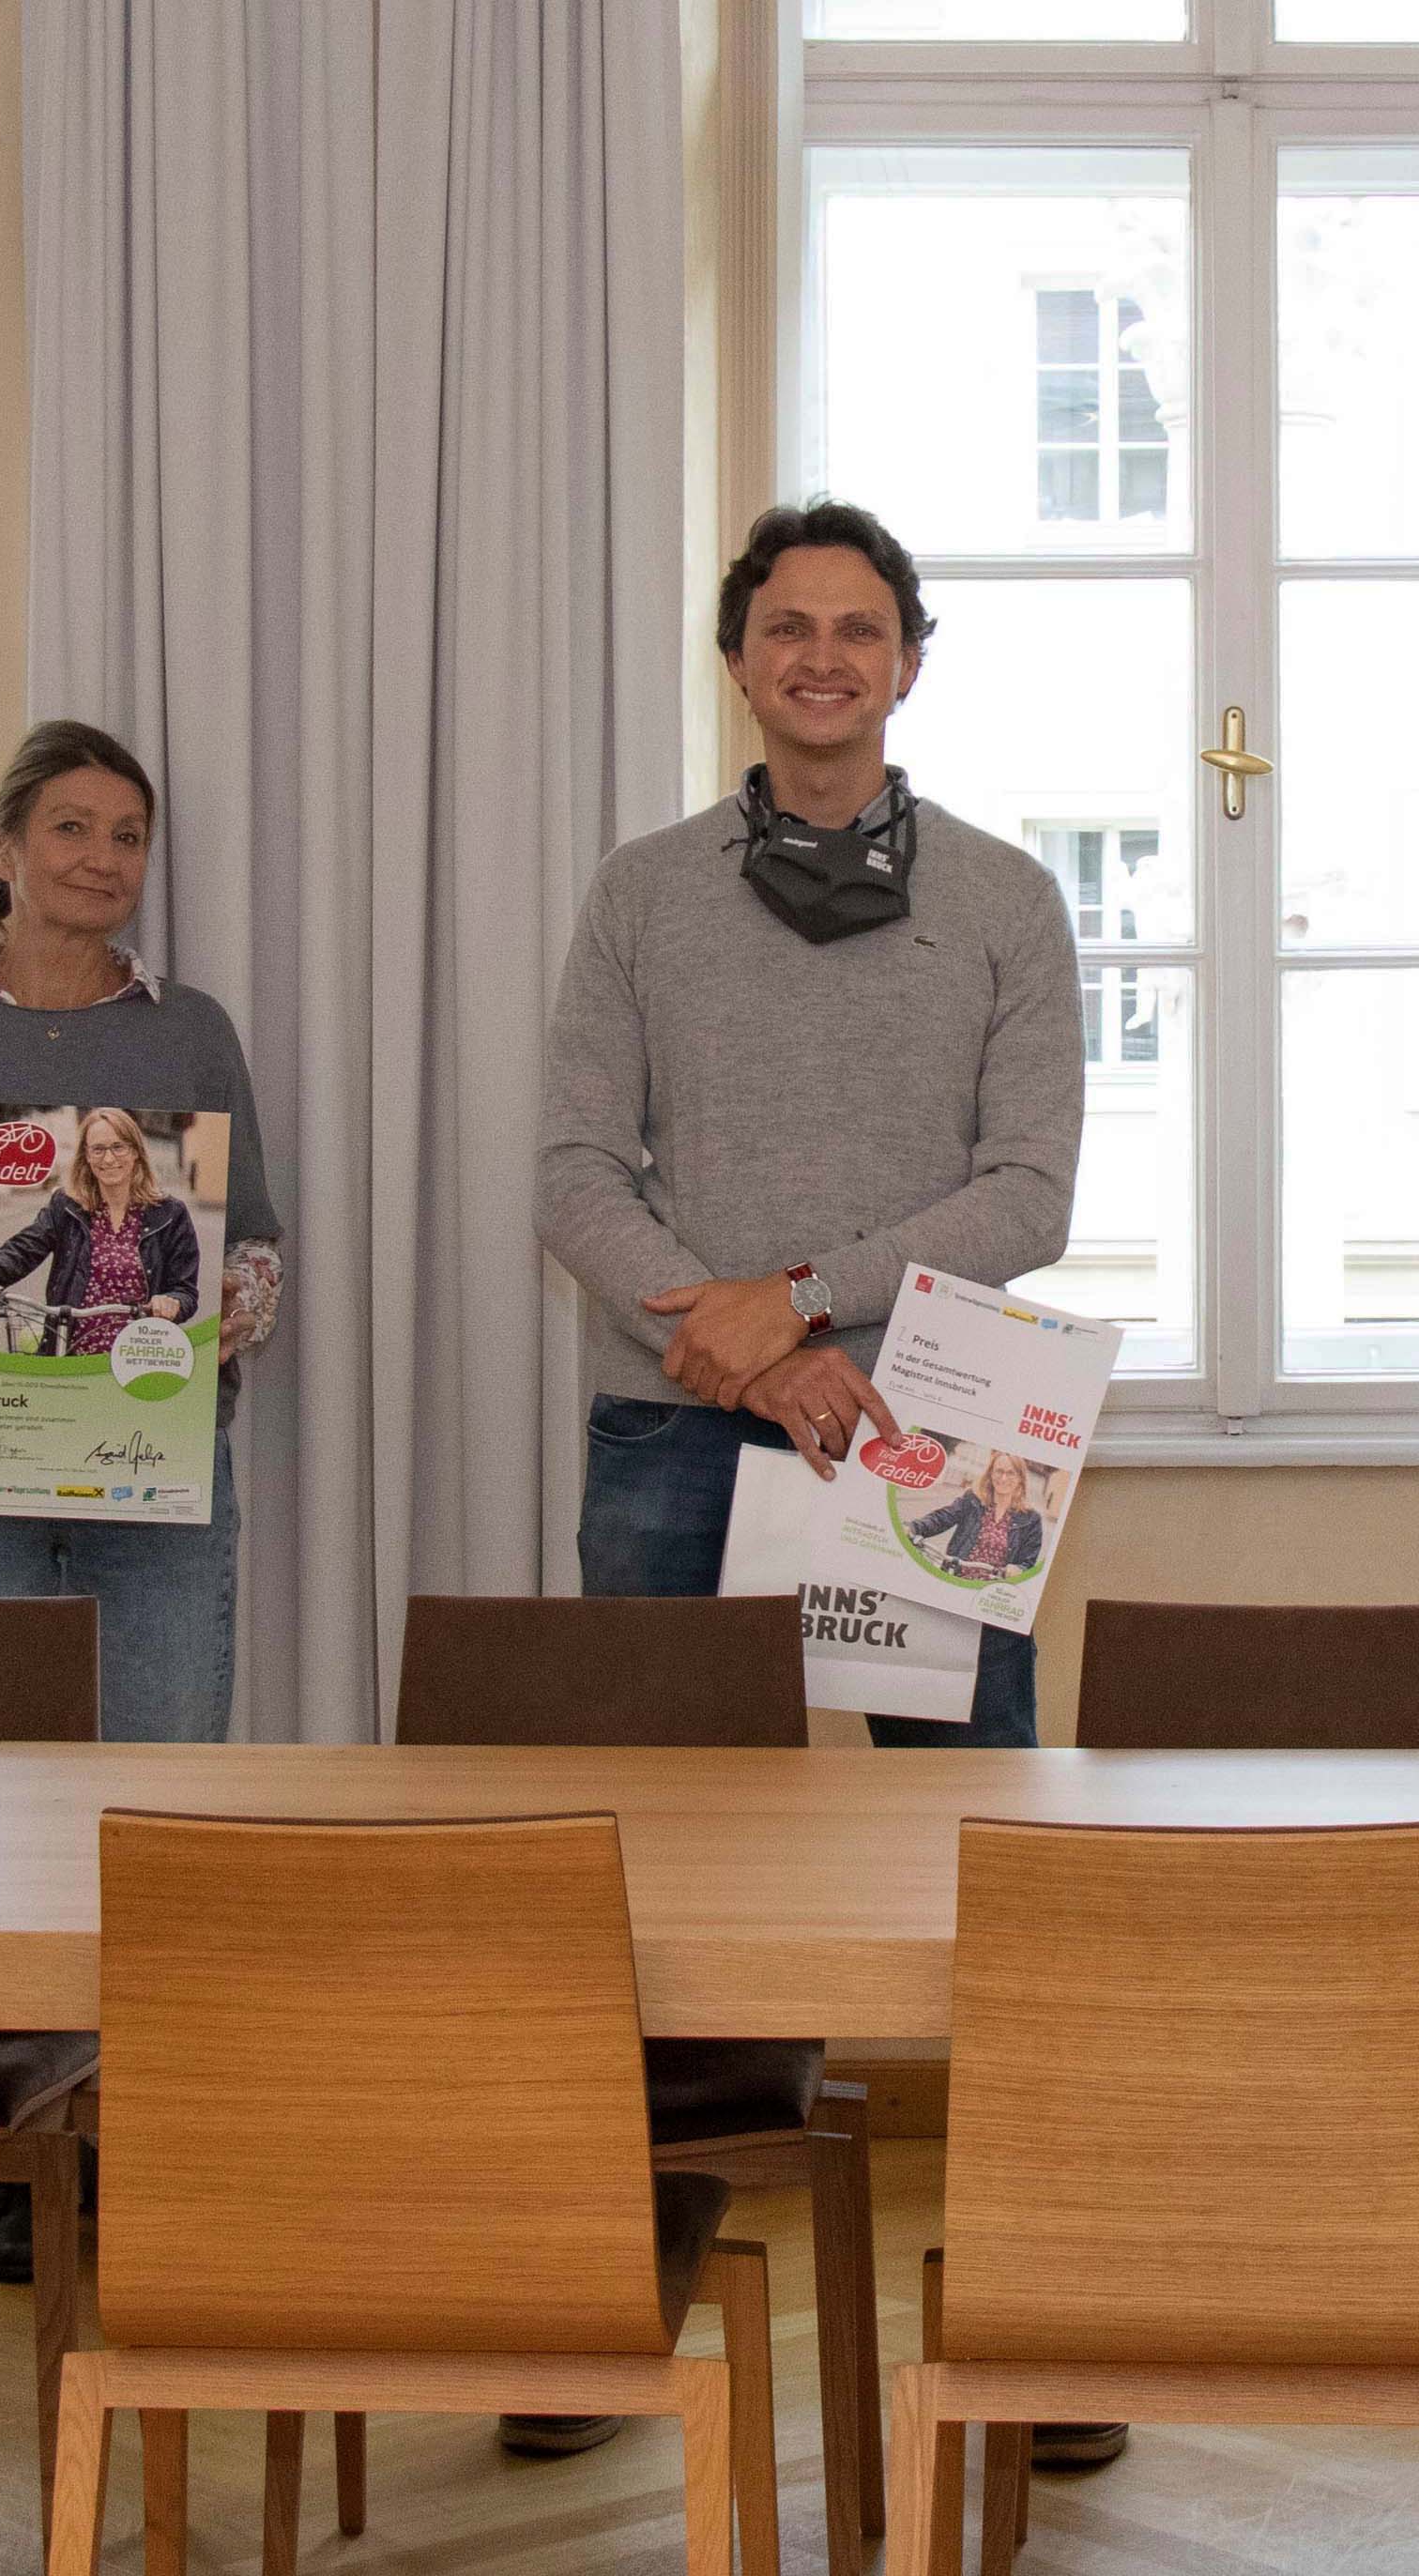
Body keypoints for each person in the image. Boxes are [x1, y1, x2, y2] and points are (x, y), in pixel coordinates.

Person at [531, 497, 1088, 2462]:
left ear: (910, 660)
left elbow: (1024, 1188)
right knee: (646, 1867)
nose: (822, 657)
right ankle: (603, 2293)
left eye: (859, 627)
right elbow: (574, 1170)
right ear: (738, 657)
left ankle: (1041, 2300)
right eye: (786, 626)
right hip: (675, 1427)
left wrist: (798, 1312)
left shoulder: (1009, 900)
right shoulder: (640, 893)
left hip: (933, 1425)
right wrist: (733, 1340)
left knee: (979, 1862)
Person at [0, 718, 283, 2283]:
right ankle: (24, 2145)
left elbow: (258, 1246)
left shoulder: (192, 1036)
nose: (100, 857)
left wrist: (236, 1304)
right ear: (5, 845)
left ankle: (132, 2131)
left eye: (127, 834)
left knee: (149, 1798)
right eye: (70, 826)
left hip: (156, 1471)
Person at [0, 1104, 200, 1357]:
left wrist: (172, 1302)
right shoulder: (67, 1206)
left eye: (118, 1147)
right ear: (86, 1157)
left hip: (137, 1357)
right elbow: (24, 1248)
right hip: (68, 1350)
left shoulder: (170, 1214)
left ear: (136, 1151)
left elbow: (185, 1291)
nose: (109, 1159)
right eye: (98, 1149)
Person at [908, 1449, 1047, 1587]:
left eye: (1011, 1473)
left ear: (1020, 1479)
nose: (1003, 1478)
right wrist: (914, 1527)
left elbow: (1028, 1562)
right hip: (955, 1577)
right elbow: (943, 1518)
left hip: (992, 1589)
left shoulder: (1031, 1519)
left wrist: (1019, 1569)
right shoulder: (973, 1500)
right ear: (990, 1474)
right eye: (999, 1471)